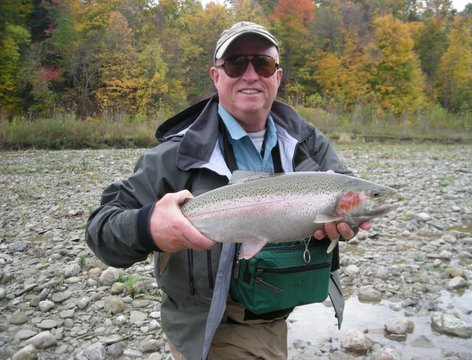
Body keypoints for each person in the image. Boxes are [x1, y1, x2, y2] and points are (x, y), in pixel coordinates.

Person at [86, 21, 369, 360]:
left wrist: (348, 222)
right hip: (210, 327)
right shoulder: (176, 155)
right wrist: (148, 227)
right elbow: (101, 230)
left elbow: (349, 190)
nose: (250, 74)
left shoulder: (308, 144)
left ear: (277, 76)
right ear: (216, 76)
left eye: (262, 64)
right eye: (235, 63)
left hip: (276, 319)